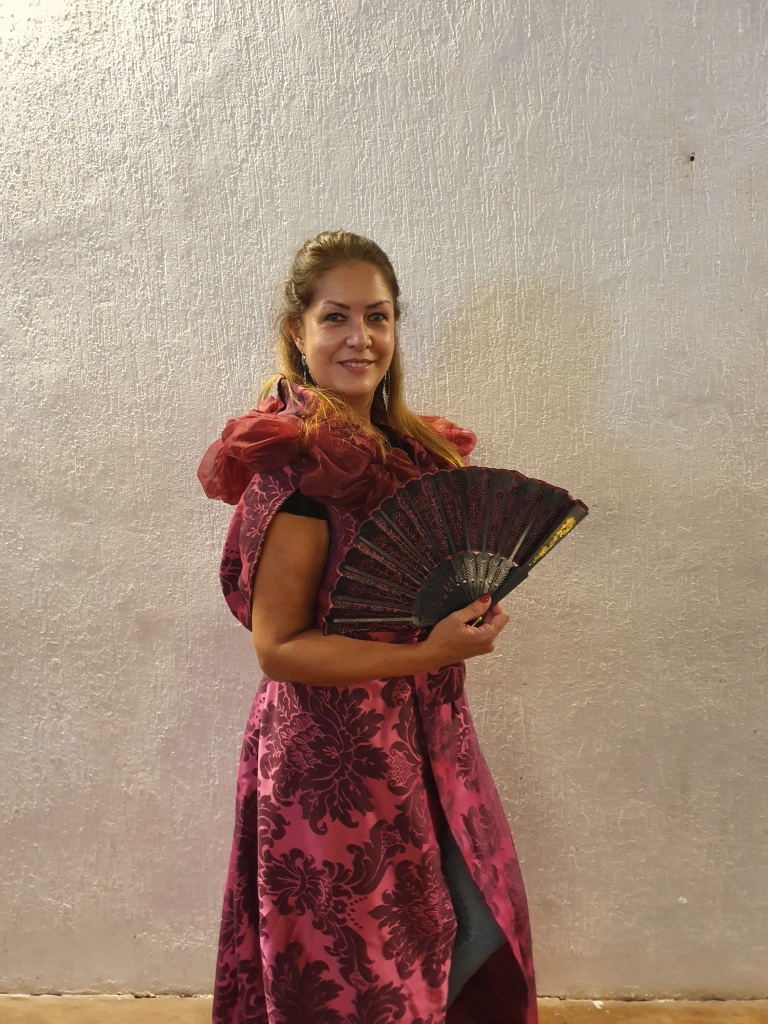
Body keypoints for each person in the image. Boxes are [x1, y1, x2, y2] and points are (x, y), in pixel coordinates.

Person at [198, 230, 537, 1024]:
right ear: (298, 331)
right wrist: (429, 651)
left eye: (377, 316)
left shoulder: (409, 452)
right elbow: (278, 649)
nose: (361, 338)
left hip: (427, 742)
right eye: (336, 317)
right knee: (360, 976)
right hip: (331, 765)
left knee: (477, 925)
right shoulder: (299, 472)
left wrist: (463, 617)